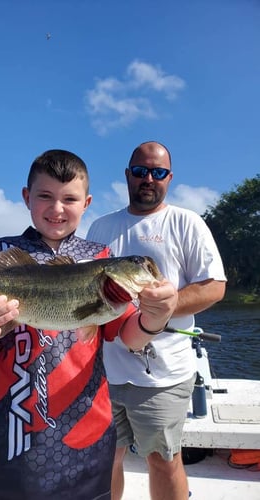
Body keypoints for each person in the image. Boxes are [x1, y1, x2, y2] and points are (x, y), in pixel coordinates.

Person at [0, 149, 178, 500]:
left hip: (89, 435)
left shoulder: (100, 258)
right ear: (26, 197)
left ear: (87, 202)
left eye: (70, 199)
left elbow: (128, 335)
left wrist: (155, 318)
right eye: (45, 196)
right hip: (16, 439)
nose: (57, 209)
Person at [87, 141, 226, 500]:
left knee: (162, 460)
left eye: (158, 172)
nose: (148, 178)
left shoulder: (186, 222)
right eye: (140, 171)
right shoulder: (101, 227)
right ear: (127, 175)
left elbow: (214, 286)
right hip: (104, 371)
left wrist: (165, 306)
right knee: (105, 459)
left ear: (169, 178)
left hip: (164, 374)